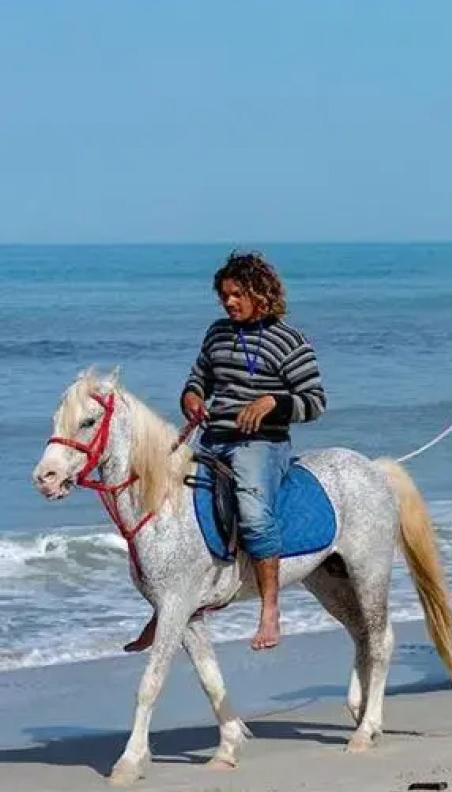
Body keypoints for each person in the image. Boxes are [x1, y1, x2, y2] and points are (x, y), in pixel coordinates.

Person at [125, 250, 327, 653]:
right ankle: (167, 608)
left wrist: (272, 402)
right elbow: (199, 378)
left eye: (236, 295)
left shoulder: (290, 340)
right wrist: (192, 397)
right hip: (213, 438)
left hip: (262, 444)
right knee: (172, 511)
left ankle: (270, 609)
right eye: (224, 296)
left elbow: (315, 401)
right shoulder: (217, 333)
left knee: (253, 515)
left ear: (259, 292)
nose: (229, 303)